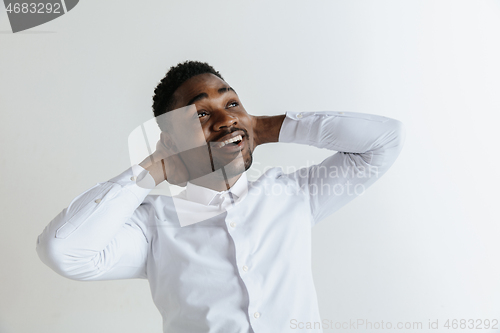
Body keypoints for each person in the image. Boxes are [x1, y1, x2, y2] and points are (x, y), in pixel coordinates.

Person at [36, 61, 406, 332]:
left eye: (231, 104)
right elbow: (63, 250)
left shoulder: (294, 195)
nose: (225, 119)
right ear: (169, 141)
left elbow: (384, 141)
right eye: (200, 114)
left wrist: (263, 127)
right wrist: (157, 167)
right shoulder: (152, 228)